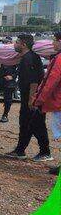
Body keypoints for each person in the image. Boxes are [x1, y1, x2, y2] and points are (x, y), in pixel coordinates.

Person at [5, 34, 53, 162]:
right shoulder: (26, 58)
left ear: (23, 44)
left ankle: (45, 152)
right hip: (28, 97)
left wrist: (32, 99)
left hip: (32, 98)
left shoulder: (29, 59)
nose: (14, 44)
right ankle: (20, 150)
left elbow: (34, 81)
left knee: (37, 125)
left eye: (17, 42)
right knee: (25, 124)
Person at [35, 32, 61, 175]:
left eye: (55, 41)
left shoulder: (59, 59)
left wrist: (39, 100)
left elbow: (50, 81)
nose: (52, 44)